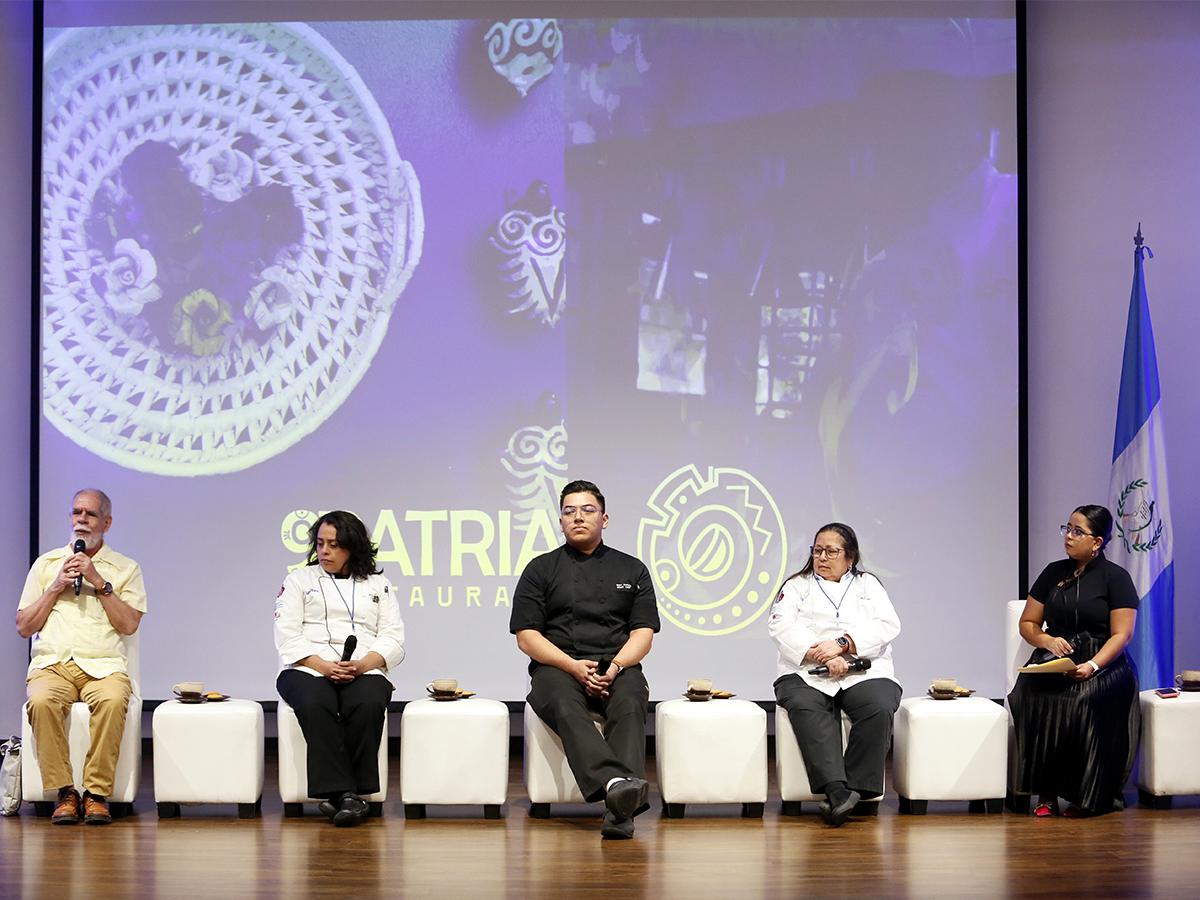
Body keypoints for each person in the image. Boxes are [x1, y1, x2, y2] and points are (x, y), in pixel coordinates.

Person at [510, 480, 660, 839]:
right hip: (557, 666)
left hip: (617, 663)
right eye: (569, 511)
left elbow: (643, 632)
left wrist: (618, 667)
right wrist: (572, 666)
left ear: (604, 519)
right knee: (563, 702)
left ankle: (619, 812)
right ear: (560, 521)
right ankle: (616, 785)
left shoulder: (632, 569)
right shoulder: (540, 569)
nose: (578, 517)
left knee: (628, 702)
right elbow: (526, 636)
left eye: (587, 510)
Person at [16, 489, 147, 825]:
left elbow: (129, 624)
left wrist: (98, 581)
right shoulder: (46, 565)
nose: (82, 520)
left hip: (103, 666)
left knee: (116, 699)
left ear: (107, 522)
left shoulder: (125, 568)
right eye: (77, 513)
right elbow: (24, 626)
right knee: (41, 701)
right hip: (53, 665)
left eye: (90, 514)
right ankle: (65, 793)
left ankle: (96, 794)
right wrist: (56, 586)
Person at [274, 510, 404, 827]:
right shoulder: (297, 581)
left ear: (353, 546)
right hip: (307, 667)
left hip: (362, 667)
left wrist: (362, 665)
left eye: (333, 544)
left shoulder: (378, 584)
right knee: (316, 702)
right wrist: (322, 666)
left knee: (369, 700)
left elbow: (393, 637)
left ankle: (344, 797)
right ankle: (348, 795)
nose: (325, 551)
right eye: (320, 544)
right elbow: (287, 634)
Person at [1008, 504, 1139, 817]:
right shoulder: (1053, 572)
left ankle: (1090, 795)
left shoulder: (1115, 578)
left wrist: (1093, 665)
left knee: (1081, 699)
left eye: (1077, 531)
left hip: (1103, 661)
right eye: (1066, 528)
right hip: (1056, 655)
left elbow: (1122, 635)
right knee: (1029, 693)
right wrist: (1047, 640)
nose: (1068, 536)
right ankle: (1046, 793)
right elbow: (1028, 623)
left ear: (1097, 542)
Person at [769, 522, 901, 827]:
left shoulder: (869, 585)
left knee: (879, 705)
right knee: (805, 705)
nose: (822, 557)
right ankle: (837, 790)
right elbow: (780, 626)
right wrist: (821, 654)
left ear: (850, 557)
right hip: (806, 670)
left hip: (862, 668)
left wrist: (843, 645)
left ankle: (858, 789)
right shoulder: (797, 585)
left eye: (831, 551)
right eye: (817, 551)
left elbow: (887, 625)